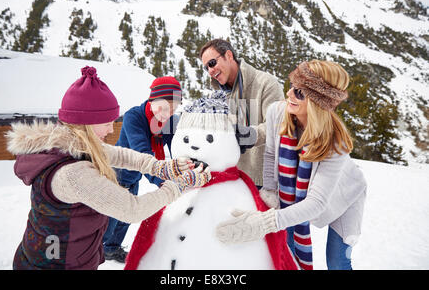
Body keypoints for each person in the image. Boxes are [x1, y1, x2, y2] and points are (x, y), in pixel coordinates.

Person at [7, 66, 210, 270]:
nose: (112, 130)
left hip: (71, 257)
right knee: (114, 221)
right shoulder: (73, 175)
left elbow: (121, 154)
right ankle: (109, 247)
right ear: (86, 122)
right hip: (55, 265)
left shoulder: (76, 145)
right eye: (107, 122)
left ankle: (110, 247)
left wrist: (163, 167)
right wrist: (177, 186)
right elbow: (133, 209)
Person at [215, 60, 367, 270]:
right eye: (292, 87)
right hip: (296, 198)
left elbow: (316, 203)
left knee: (337, 262)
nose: (289, 95)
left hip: (344, 198)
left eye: (299, 93)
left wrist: (265, 222)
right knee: (287, 251)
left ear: (318, 102)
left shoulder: (335, 142)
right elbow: (270, 154)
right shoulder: (277, 112)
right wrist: (269, 189)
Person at [102, 76, 183, 263]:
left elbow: (176, 149)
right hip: (116, 174)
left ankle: (112, 249)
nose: (167, 114)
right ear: (153, 100)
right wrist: (163, 181)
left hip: (134, 177)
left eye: (173, 109)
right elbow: (142, 154)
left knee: (127, 218)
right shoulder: (134, 117)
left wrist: (183, 169)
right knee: (110, 219)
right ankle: (95, 253)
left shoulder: (169, 121)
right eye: (163, 107)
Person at [199, 38, 284, 188]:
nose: (210, 71)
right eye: (206, 68)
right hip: (230, 178)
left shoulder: (266, 83)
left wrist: (252, 135)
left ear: (229, 56)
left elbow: (279, 125)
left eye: (212, 63)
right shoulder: (217, 96)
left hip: (262, 180)